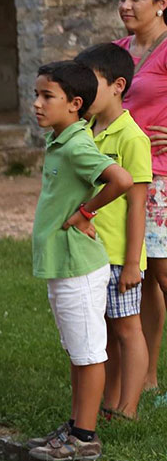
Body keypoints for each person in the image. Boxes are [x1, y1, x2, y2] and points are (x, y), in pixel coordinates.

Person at [26, 60, 132, 461]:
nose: (37, 103)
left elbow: (121, 180)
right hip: (64, 266)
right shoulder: (61, 140)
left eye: (46, 96)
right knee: (77, 351)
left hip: (79, 268)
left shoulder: (77, 145)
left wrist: (85, 212)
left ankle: (85, 437)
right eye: (36, 94)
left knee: (88, 353)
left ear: (75, 104)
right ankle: (74, 425)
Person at [74, 44, 152, 419]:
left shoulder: (132, 138)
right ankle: (109, 403)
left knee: (127, 329)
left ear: (118, 85)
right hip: (90, 253)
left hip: (120, 256)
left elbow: (137, 205)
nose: (82, 93)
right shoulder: (85, 132)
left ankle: (130, 407)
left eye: (91, 84)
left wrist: (134, 263)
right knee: (103, 332)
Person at [115, 0, 167, 394]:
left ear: (162, 3)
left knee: (165, 273)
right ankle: (147, 376)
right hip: (123, 178)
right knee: (144, 276)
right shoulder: (117, 51)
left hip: (162, 178)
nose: (125, 5)